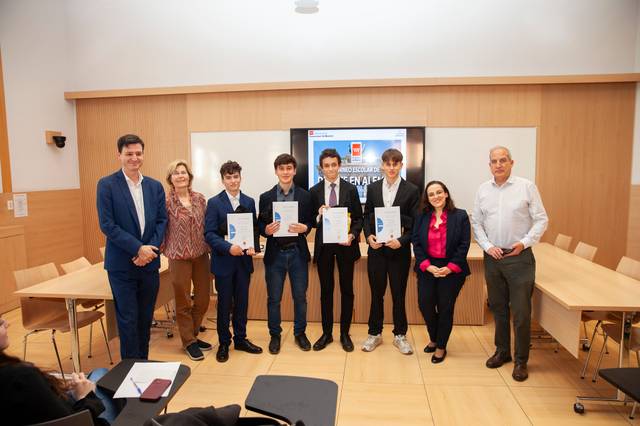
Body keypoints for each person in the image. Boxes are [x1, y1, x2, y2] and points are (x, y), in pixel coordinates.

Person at [471, 146, 548, 382]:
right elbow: (477, 223)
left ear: (511, 162)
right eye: (494, 161)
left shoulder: (526, 187)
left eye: (503, 160)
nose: (498, 165)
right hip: (493, 258)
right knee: (498, 309)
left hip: (519, 258)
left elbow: (541, 219)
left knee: (522, 312)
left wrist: (524, 243)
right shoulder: (483, 190)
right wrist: (486, 246)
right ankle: (502, 352)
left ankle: (521, 361)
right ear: (489, 165)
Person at [97, 134, 167, 360]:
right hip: (122, 266)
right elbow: (107, 225)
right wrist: (139, 249)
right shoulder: (107, 185)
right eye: (129, 154)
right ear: (119, 155)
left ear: (143, 155)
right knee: (127, 321)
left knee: (145, 318)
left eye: (138, 153)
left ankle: (143, 364)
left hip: (149, 265)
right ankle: (129, 370)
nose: (134, 158)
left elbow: (161, 222)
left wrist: (149, 250)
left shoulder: (155, 186)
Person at [0, 318, 118, 425]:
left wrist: (58, 390)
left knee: (100, 373)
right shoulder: (21, 377)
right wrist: (85, 397)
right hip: (84, 418)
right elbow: (74, 422)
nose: (7, 323)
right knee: (103, 378)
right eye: (0, 322)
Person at [362, 148, 420, 354]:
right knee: (376, 294)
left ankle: (400, 335)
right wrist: (369, 237)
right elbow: (367, 216)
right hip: (377, 251)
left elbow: (415, 224)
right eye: (388, 164)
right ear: (382, 165)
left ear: (401, 165)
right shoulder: (373, 188)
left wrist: (402, 241)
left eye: (396, 164)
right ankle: (374, 333)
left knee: (398, 294)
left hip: (398, 252)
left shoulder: (412, 190)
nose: (392, 167)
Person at [205, 161, 263, 362]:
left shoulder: (249, 201)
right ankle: (223, 342)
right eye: (228, 177)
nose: (233, 180)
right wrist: (229, 247)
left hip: (244, 262)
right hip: (224, 262)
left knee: (242, 302)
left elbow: (254, 228)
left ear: (240, 177)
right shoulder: (214, 203)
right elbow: (209, 234)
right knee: (224, 304)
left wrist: (254, 245)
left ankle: (240, 338)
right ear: (223, 180)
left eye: (236, 176)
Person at [258, 153, 314, 354]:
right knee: (274, 298)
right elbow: (260, 224)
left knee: (300, 297)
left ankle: (300, 333)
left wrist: (304, 228)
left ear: (295, 171)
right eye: (281, 168)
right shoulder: (266, 197)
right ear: (276, 171)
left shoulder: (305, 196)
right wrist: (266, 230)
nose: (285, 172)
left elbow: (310, 221)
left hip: (297, 253)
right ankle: (275, 335)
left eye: (289, 168)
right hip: (275, 255)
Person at [309, 148, 363, 352]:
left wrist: (352, 235)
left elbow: (358, 218)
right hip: (324, 248)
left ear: (339, 166)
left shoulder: (351, 189)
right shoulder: (314, 191)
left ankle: (344, 334)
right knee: (326, 292)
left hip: (345, 247)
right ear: (321, 169)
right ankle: (327, 333)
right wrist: (318, 216)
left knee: (347, 290)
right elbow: (311, 222)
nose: (330, 168)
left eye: (334, 164)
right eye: (326, 165)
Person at [412, 181, 470, 363]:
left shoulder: (460, 216)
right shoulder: (421, 216)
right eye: (431, 194)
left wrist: (450, 268)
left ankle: (440, 346)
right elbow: (416, 242)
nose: (435, 196)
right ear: (427, 199)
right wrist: (427, 265)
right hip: (427, 267)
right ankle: (435, 337)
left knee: (445, 308)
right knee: (425, 305)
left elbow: (464, 244)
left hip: (451, 269)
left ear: (446, 194)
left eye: (439, 192)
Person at [163, 160, 212, 361]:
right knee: (183, 301)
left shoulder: (200, 199)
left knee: (203, 299)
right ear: (170, 179)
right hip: (178, 257)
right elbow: (161, 228)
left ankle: (192, 335)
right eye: (176, 173)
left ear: (189, 176)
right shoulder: (165, 203)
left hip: (201, 254)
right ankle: (189, 342)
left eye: (184, 172)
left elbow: (208, 225)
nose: (181, 176)